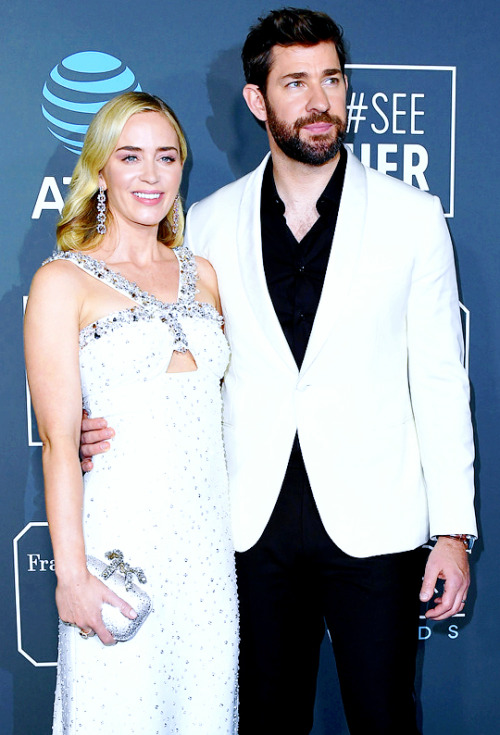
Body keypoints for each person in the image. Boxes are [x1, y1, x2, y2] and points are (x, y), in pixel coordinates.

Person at [81, 9, 477, 735]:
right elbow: (173, 362)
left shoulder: (412, 218)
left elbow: (442, 382)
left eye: (331, 78)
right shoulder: (205, 221)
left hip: (375, 523)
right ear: (259, 102)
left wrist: (453, 529)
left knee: (387, 717)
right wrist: (102, 421)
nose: (319, 100)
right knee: (265, 718)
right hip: (246, 523)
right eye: (295, 82)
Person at [24, 91, 238, 734]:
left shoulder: (203, 274)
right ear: (101, 171)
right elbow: (61, 442)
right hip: (121, 547)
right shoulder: (61, 281)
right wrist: (72, 575)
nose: (151, 175)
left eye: (167, 157)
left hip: (206, 554)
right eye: (130, 156)